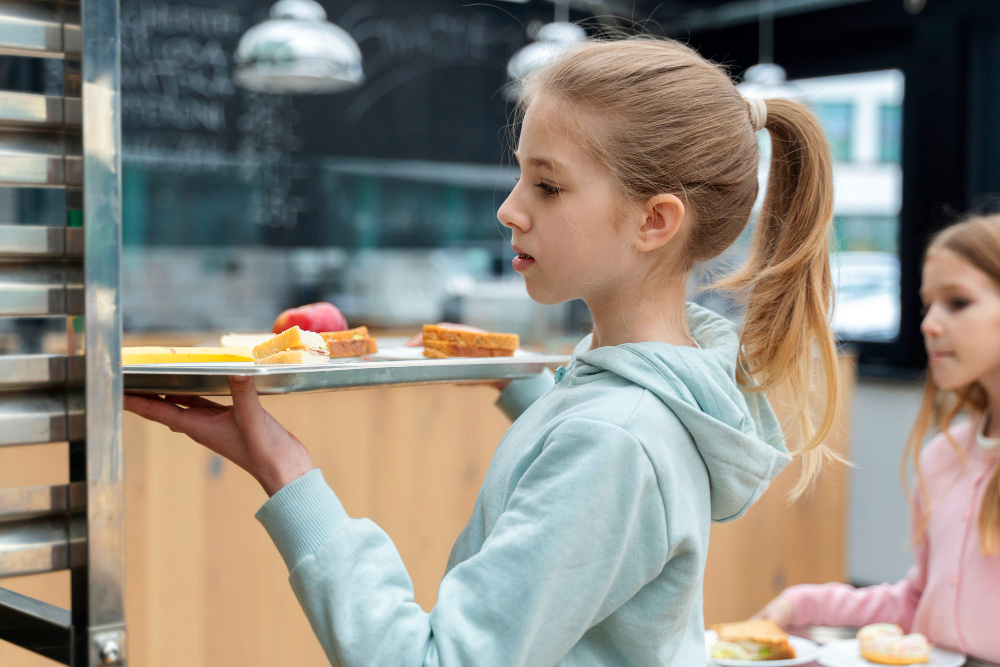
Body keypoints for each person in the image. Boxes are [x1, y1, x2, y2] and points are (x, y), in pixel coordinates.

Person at [124, 36, 841, 665]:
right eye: (521, 172)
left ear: (654, 220)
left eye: (548, 185)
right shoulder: (656, 399)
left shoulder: (613, 442)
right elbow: (604, 477)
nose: (510, 206)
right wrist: (516, 384)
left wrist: (286, 471)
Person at [755, 215, 1000, 664]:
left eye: (958, 302)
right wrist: (801, 603)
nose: (929, 324)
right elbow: (915, 604)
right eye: (927, 306)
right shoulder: (944, 457)